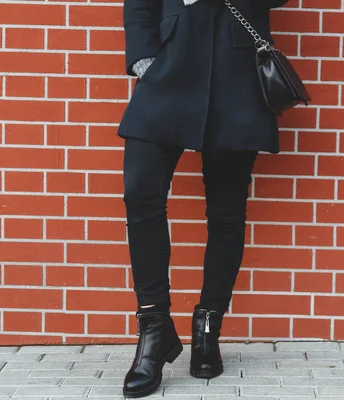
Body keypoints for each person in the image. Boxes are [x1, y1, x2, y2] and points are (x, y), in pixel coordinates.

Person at [117, 0, 289, 397]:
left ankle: (208, 327)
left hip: (237, 69)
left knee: (227, 212)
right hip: (171, 64)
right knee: (140, 190)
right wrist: (145, 58)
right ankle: (155, 329)